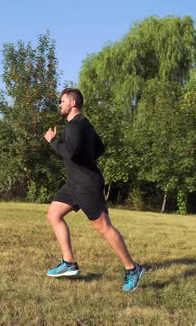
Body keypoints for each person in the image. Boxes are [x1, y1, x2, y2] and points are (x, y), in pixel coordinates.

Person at [43, 88, 146, 292]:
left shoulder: (74, 125)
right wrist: (84, 159)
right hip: (74, 183)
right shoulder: (85, 124)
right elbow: (99, 148)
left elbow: (69, 153)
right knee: (54, 214)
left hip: (87, 185)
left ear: (73, 103)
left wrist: (52, 141)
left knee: (103, 228)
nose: (60, 105)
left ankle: (132, 268)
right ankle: (69, 262)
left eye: (62, 101)